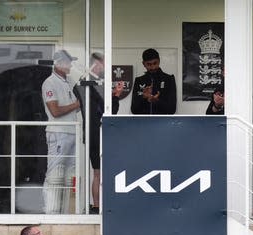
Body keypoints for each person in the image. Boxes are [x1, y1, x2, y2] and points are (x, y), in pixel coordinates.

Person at [73, 52, 122, 213]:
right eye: (103, 64)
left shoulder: (86, 83)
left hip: (95, 133)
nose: (105, 68)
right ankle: (98, 205)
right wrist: (115, 96)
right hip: (98, 133)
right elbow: (108, 110)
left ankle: (98, 205)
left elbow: (106, 108)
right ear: (96, 64)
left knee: (99, 173)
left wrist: (114, 95)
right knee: (100, 173)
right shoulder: (90, 84)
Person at [41, 49, 80, 214]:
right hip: (58, 132)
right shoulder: (49, 82)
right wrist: (78, 104)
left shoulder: (70, 81)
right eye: (67, 62)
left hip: (72, 131)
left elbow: (76, 107)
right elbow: (55, 111)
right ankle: (51, 212)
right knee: (55, 173)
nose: (70, 65)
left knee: (68, 174)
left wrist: (78, 105)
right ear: (59, 64)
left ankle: (64, 212)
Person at [131, 48, 177, 115]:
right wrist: (143, 97)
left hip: (163, 123)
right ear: (143, 64)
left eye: (155, 63)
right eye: (149, 64)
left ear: (159, 61)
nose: (153, 67)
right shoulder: (139, 80)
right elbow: (134, 110)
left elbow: (172, 109)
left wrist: (157, 101)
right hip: (143, 123)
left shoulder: (169, 79)